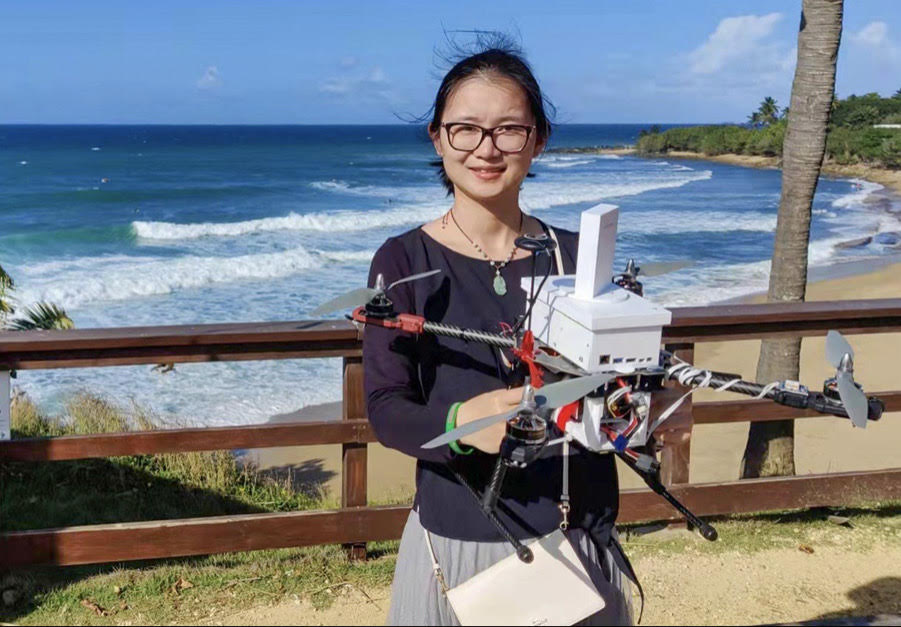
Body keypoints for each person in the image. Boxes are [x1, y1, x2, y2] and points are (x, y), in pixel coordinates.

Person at [363, 40, 635, 626]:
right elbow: (386, 409)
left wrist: (638, 406)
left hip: (575, 533)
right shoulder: (401, 260)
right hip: (461, 535)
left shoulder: (577, 254)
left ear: (538, 139)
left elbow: (620, 377)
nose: (487, 149)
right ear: (438, 138)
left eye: (509, 130)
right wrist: (462, 423)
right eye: (466, 129)